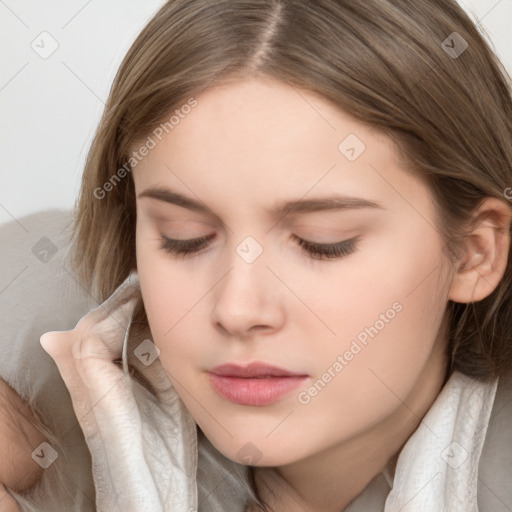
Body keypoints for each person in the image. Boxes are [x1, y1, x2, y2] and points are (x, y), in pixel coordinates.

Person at [1, 0, 512, 510]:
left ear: (474, 253)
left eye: (322, 242)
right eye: (185, 237)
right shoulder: (33, 327)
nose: (237, 309)